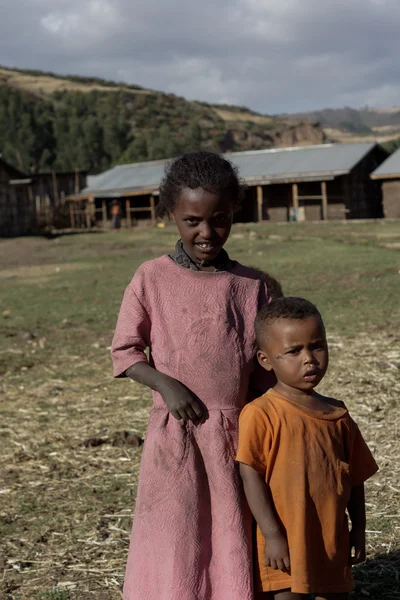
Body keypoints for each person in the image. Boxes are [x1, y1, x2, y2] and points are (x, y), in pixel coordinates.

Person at [111, 151, 282, 600]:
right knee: (177, 528)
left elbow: (267, 366)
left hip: (235, 432)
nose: (206, 232)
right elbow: (125, 351)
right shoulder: (151, 278)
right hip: (176, 432)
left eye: (219, 219)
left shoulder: (252, 286)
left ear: (233, 213)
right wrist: (166, 384)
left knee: (230, 528)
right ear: (171, 214)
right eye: (192, 221)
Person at [237, 297, 378, 600]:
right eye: (293, 351)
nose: (309, 359)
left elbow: (354, 480)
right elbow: (250, 476)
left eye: (317, 346)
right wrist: (273, 535)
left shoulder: (338, 415)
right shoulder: (261, 413)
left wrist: (359, 528)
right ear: (265, 360)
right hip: (286, 545)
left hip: (331, 542)